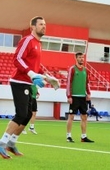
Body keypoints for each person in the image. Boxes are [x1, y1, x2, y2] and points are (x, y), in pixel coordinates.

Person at [0, 16, 59, 159]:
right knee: (21, 114)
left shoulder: (39, 44)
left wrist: (47, 77)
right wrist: (31, 73)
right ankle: (2, 143)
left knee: (27, 115)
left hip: (29, 83)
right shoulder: (27, 40)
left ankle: (12, 143)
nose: (44, 26)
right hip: (19, 82)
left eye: (45, 24)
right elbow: (17, 59)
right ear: (32, 27)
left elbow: (36, 68)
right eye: (41, 24)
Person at [66, 52, 94, 143]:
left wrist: (88, 93)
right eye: (80, 57)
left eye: (83, 57)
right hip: (74, 97)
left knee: (84, 117)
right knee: (71, 116)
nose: (82, 59)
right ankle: (68, 136)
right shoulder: (72, 69)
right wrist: (69, 96)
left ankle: (83, 136)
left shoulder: (86, 70)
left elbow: (87, 83)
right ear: (76, 58)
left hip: (83, 97)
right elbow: (68, 83)